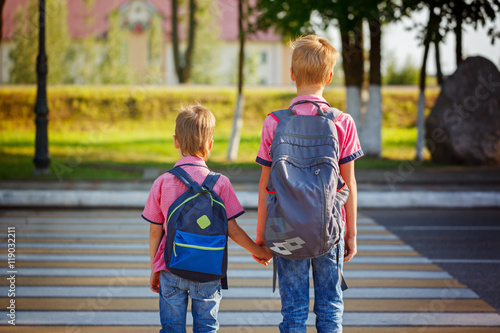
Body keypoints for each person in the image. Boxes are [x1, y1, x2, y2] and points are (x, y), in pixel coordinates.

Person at [254, 35, 363, 332]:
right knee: (329, 307)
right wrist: (351, 234)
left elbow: (265, 183)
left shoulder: (274, 122)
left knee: (293, 310)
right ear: (329, 76)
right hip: (329, 229)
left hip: (287, 231)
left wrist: (262, 235)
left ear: (291, 74)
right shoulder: (342, 122)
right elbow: (349, 183)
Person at [143, 104, 272, 333]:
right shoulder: (220, 183)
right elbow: (232, 229)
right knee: (206, 328)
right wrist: (259, 251)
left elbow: (155, 232)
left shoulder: (162, 182)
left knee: (171, 328)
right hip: (208, 270)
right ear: (210, 145)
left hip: (171, 269)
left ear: (176, 141)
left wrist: (156, 267)